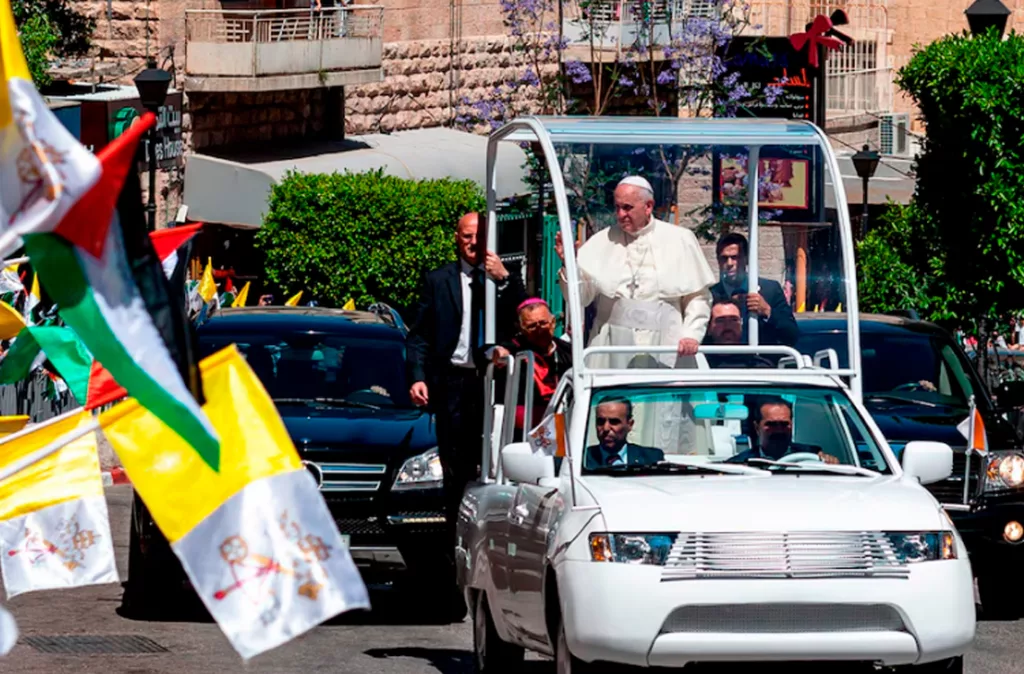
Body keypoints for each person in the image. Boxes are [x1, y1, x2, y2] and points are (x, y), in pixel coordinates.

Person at [406, 212, 526, 530]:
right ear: (457, 239)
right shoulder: (437, 280)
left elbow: (526, 316)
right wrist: (418, 377)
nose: (473, 242)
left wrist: (504, 278)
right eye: (467, 236)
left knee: (490, 456)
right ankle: (455, 527)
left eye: (479, 236)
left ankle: (488, 523)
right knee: (454, 459)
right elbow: (419, 335)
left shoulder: (502, 278)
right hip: (452, 380)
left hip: (491, 381)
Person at [555, 175, 715, 367]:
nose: (620, 214)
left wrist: (691, 334)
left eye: (627, 207)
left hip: (668, 343)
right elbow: (580, 297)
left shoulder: (680, 239)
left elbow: (698, 296)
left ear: (648, 206)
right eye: (617, 207)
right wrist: (569, 264)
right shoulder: (601, 241)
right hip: (612, 345)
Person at [477, 298, 571, 433]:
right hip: (522, 428)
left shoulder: (567, 351)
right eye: (532, 326)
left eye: (543, 323)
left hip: (561, 420)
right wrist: (495, 351)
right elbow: (484, 353)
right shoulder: (515, 348)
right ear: (520, 328)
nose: (539, 330)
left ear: (553, 322)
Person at [711, 232, 798, 347]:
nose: (729, 263)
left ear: (747, 259)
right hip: (722, 357)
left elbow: (792, 334)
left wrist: (767, 311)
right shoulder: (710, 295)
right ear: (718, 261)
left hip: (760, 357)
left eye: (735, 257)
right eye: (724, 258)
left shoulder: (770, 290)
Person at [727, 397, 839, 465]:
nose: (779, 430)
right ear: (757, 427)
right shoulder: (739, 464)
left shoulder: (812, 455)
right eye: (771, 424)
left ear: (792, 425)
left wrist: (830, 462)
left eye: (784, 424)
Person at [584, 397, 664, 469]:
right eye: (600, 421)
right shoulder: (582, 459)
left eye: (614, 422)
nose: (606, 428)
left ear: (630, 424)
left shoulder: (651, 458)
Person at [702, 298, 775, 369]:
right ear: (709, 328)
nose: (728, 325)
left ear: (741, 325)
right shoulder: (698, 364)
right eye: (720, 321)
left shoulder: (759, 367)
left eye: (734, 320)